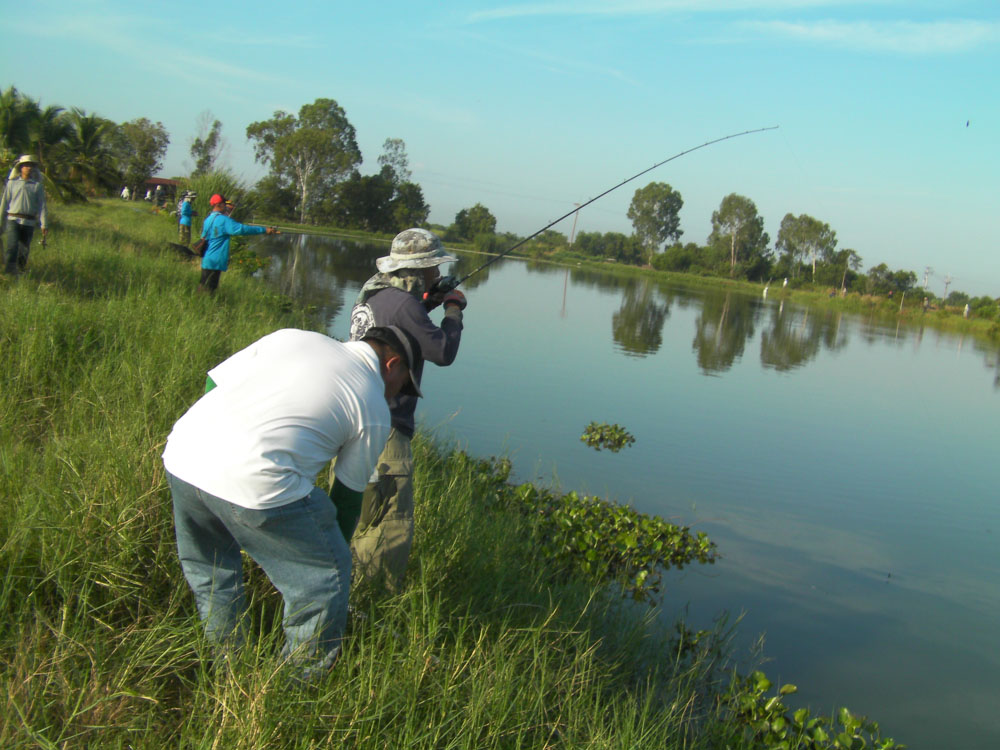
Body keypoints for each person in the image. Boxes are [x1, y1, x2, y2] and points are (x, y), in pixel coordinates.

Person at [163, 325, 424, 679]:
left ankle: (227, 672)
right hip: (256, 479)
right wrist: (331, 561)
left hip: (184, 454)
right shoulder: (373, 404)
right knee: (324, 580)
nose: (397, 396)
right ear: (392, 364)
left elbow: (214, 385)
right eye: (404, 386)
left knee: (212, 574)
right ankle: (293, 687)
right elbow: (346, 500)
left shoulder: (291, 337)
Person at [343, 227, 467, 591]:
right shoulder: (404, 305)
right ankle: (372, 604)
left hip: (353, 420)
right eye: (433, 269)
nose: (437, 275)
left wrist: (426, 302)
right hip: (387, 426)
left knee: (361, 515)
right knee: (388, 522)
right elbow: (443, 352)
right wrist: (454, 310)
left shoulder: (373, 296)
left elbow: (397, 324)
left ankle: (349, 588)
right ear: (417, 271)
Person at [197, 193, 277, 294]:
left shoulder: (208, 219)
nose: (226, 206)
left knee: (203, 284)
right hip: (216, 260)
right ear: (220, 205)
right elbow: (242, 229)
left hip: (207, 258)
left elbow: (204, 237)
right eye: (224, 204)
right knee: (210, 290)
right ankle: (205, 307)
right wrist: (264, 230)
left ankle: (199, 303)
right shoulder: (223, 220)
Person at [1, 154, 48, 276]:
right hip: (13, 219)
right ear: (21, 168)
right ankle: (9, 273)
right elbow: (4, 202)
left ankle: (20, 271)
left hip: (29, 222)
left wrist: (44, 224)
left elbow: (42, 206)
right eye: (26, 165)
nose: (29, 168)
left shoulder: (37, 186)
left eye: (31, 165)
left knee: (24, 249)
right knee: (12, 246)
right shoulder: (12, 184)